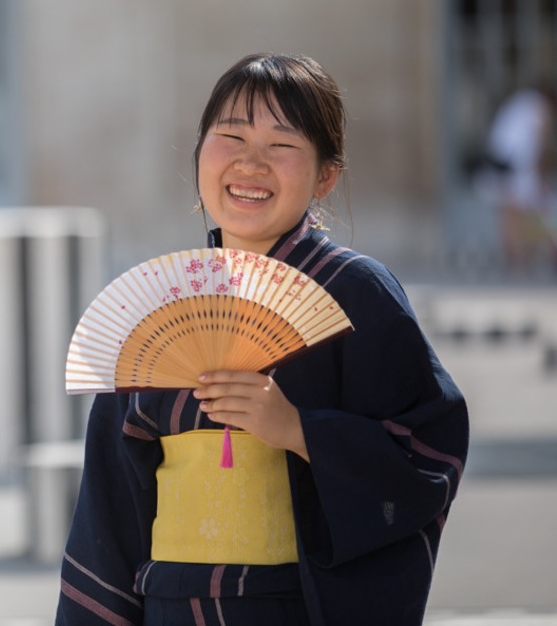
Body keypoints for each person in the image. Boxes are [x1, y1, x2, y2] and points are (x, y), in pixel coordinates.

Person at [56, 53, 469, 625]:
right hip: (169, 607)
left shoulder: (356, 293)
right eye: (229, 136)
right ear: (200, 152)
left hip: (293, 606)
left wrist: (301, 432)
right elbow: (110, 507)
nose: (250, 162)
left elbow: (429, 456)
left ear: (326, 174)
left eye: (281, 144)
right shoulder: (156, 305)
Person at [480, 85, 556, 268]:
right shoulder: (539, 106)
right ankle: (535, 252)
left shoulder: (520, 102)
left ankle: (515, 256)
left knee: (510, 211)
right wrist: (540, 174)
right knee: (535, 209)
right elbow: (540, 142)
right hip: (517, 165)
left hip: (500, 161)